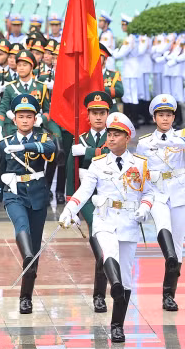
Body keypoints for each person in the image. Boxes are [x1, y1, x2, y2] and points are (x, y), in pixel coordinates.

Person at [59, 113, 155, 343]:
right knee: (108, 252)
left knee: (127, 277)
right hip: (104, 218)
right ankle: (116, 285)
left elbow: (149, 191)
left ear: (127, 138)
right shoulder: (98, 163)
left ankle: (117, 325)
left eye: (116, 135)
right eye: (109, 134)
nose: (111, 139)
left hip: (129, 221)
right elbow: (84, 191)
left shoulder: (140, 164)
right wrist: (69, 210)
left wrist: (145, 208)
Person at [0, 94, 58, 313]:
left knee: (35, 247)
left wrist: (24, 148)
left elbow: (51, 150)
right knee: (21, 226)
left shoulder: (44, 137)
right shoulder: (5, 143)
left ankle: (25, 297)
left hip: (37, 194)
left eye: (29, 116)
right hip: (14, 193)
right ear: (14, 119)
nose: (25, 120)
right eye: (21, 116)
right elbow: (0, 172)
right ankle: (26, 254)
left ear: (35, 118)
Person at [136, 95, 185, 311]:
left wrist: (172, 140)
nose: (165, 119)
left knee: (178, 242)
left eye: (169, 115)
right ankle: (169, 256)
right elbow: (139, 171)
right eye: (161, 115)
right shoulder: (145, 142)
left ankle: (168, 295)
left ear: (173, 117)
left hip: (180, 192)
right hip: (157, 193)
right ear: (154, 117)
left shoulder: (183, 135)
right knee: (163, 227)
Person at [66, 91, 113, 313]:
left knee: (107, 247)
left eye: (102, 113)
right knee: (100, 244)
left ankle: (102, 291)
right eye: (94, 113)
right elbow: (70, 171)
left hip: (109, 194)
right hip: (87, 195)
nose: (98, 117)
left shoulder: (112, 137)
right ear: (88, 115)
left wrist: (87, 151)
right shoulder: (79, 138)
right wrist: (70, 204)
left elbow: (110, 152)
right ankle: (99, 296)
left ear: (108, 114)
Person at [100, 43, 124, 113]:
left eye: (100, 56)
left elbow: (120, 91)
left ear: (105, 59)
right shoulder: (90, 76)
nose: (97, 58)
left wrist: (100, 88)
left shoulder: (113, 75)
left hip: (110, 109)